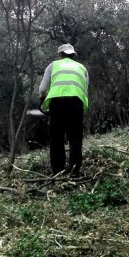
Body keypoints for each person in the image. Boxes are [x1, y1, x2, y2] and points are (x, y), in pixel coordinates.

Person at [38, 43, 89, 176]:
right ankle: (75, 170)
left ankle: (58, 170)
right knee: (75, 137)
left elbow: (42, 89)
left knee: (56, 137)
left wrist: (42, 98)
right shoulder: (82, 67)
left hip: (57, 103)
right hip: (76, 102)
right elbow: (85, 87)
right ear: (73, 55)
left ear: (60, 55)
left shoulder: (53, 65)